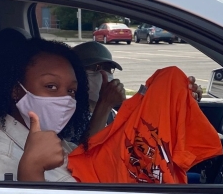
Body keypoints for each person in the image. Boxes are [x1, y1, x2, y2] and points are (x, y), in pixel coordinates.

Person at [0, 38, 91, 182]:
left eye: (71, 90)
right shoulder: (0, 158)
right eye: (51, 86)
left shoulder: (55, 141)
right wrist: (33, 168)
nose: (65, 99)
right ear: (16, 90)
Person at [72, 40, 203, 137]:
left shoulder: (113, 114)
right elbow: (85, 155)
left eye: (108, 69)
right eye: (96, 68)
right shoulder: (69, 115)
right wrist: (105, 103)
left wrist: (181, 104)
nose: (105, 74)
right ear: (75, 74)